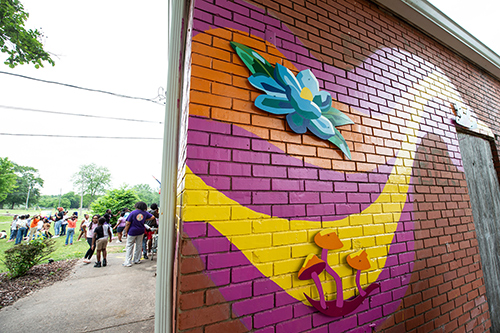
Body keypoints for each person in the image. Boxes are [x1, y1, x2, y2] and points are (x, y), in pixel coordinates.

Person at [122, 202, 156, 267]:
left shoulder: (133, 213)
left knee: (129, 246)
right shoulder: (145, 213)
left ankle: (128, 262)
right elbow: (153, 217)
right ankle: (137, 259)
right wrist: (144, 219)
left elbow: (128, 223)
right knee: (139, 245)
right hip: (141, 230)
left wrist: (126, 231)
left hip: (132, 231)